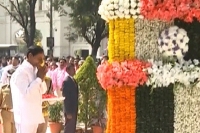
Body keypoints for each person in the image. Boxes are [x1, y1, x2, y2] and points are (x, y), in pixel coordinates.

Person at [10, 46, 48, 133]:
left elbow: (43, 90)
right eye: (39, 59)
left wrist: (42, 78)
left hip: (34, 115)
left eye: (42, 59)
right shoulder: (21, 72)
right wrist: (38, 79)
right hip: (25, 117)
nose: (41, 62)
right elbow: (26, 94)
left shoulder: (35, 70)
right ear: (30, 56)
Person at [37, 63, 53, 133]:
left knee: (43, 130)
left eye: (45, 69)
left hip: (45, 109)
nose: (44, 71)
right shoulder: (34, 79)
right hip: (35, 109)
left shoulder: (49, 80)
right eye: (42, 69)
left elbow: (50, 93)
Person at [62, 64, 78, 133]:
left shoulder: (72, 79)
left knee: (72, 128)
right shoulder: (66, 81)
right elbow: (66, 97)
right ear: (67, 70)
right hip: (70, 110)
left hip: (73, 108)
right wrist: (68, 112)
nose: (74, 71)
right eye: (72, 69)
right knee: (69, 128)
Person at [0, 68, 16, 133]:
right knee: (6, 131)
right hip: (6, 112)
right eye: (9, 77)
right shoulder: (3, 88)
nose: (11, 78)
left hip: (16, 114)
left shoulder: (19, 89)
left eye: (12, 77)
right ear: (7, 77)